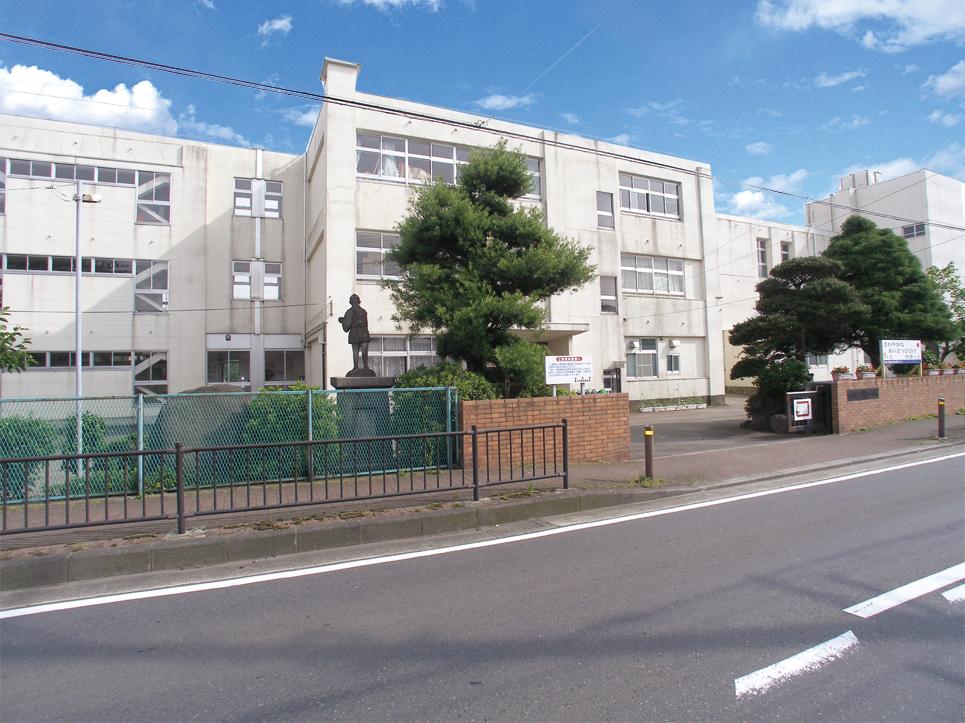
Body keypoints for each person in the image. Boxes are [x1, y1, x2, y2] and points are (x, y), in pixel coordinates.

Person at [338, 294, 373, 376]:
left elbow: (347, 324)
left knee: (355, 351)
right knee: (364, 351)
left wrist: (343, 321)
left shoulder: (350, 311)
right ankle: (365, 366)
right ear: (358, 301)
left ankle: (356, 367)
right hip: (364, 332)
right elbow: (366, 323)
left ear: (350, 302)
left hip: (355, 333)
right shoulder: (363, 311)